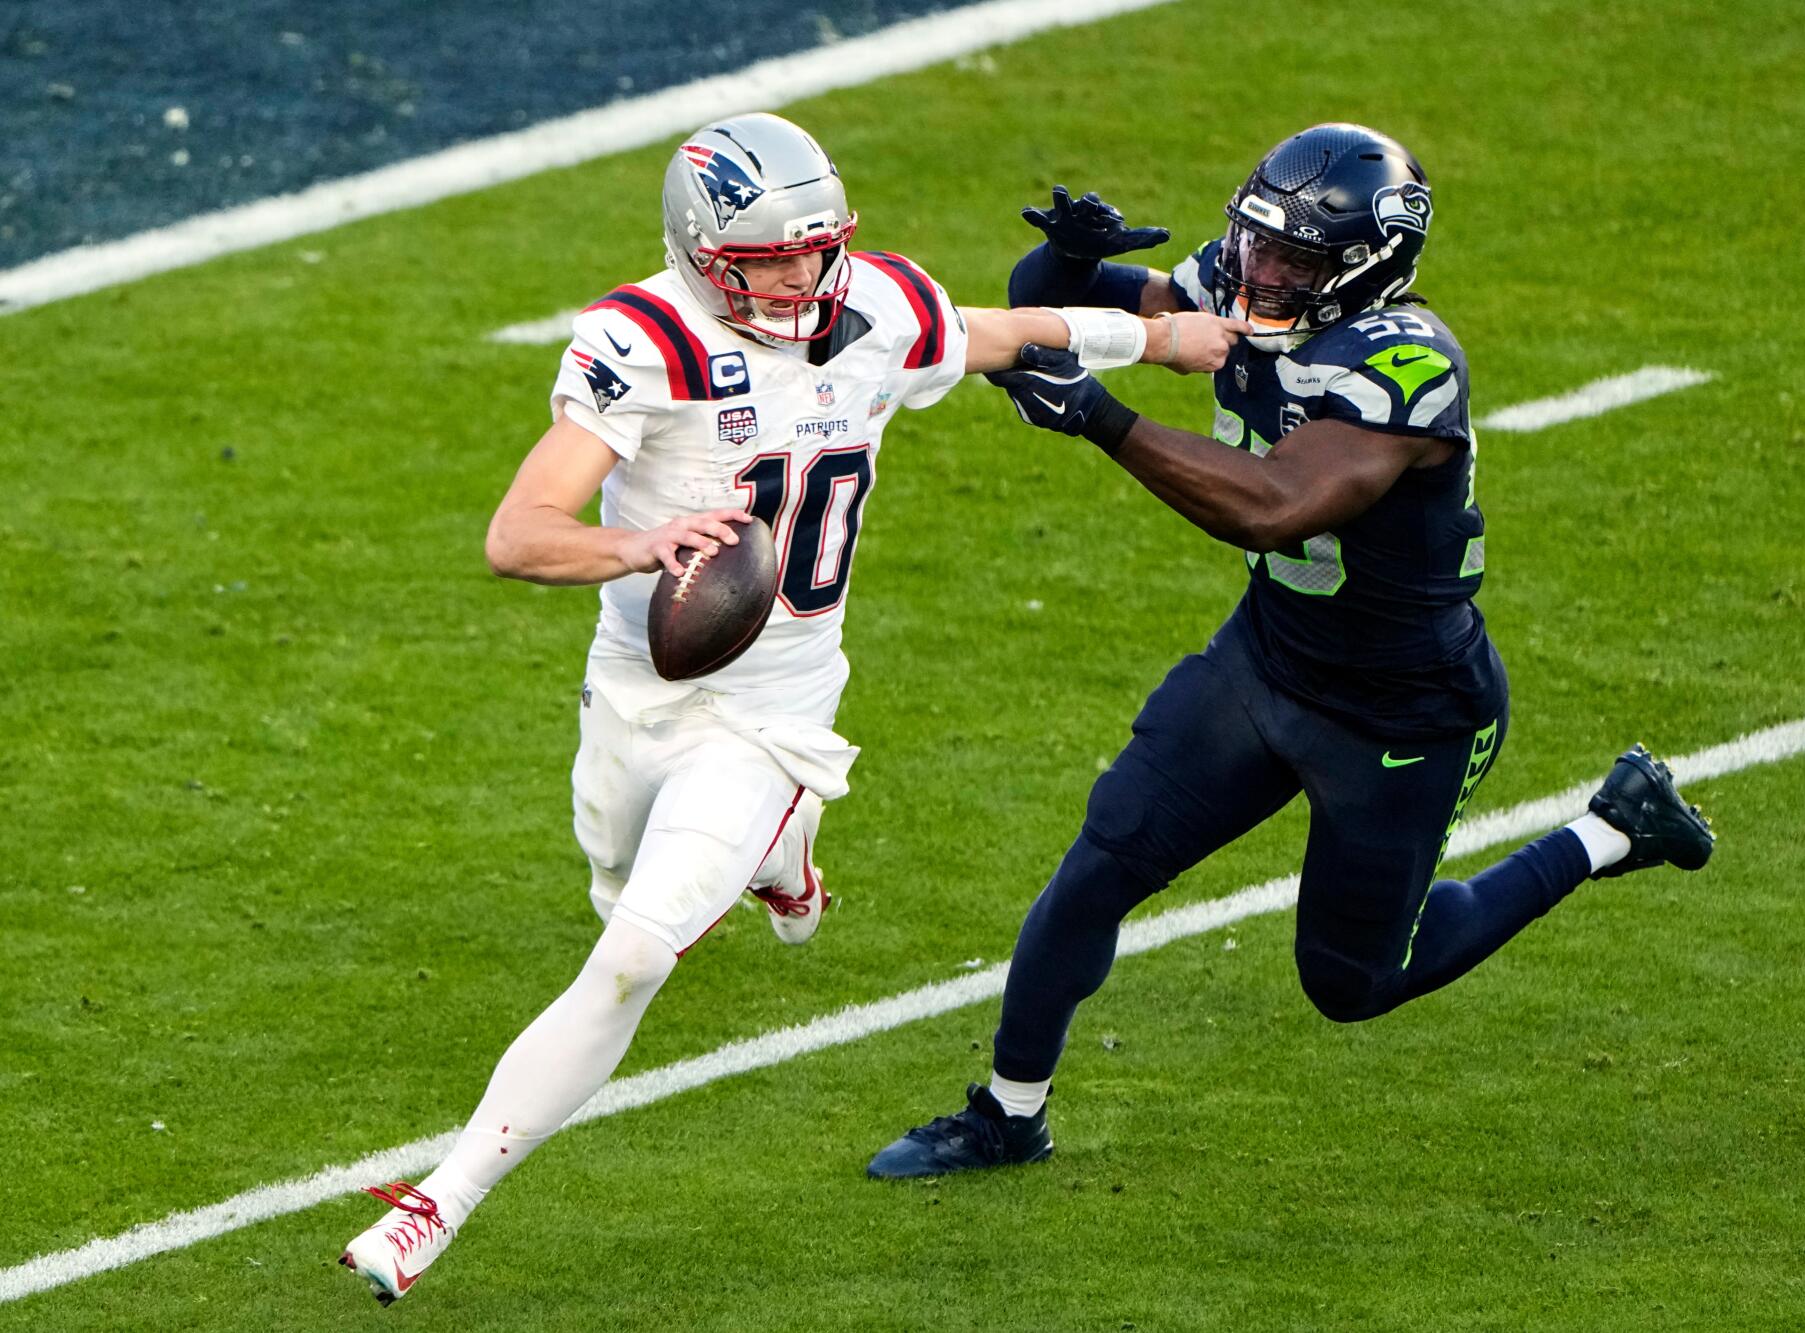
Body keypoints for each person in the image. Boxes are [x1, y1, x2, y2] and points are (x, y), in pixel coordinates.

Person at [338, 111, 1244, 1304]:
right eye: (769, 261)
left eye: (816, 250)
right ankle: (783, 857)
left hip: (772, 714)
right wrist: (641, 543)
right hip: (639, 688)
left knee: (630, 955)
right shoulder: (642, 340)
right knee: (610, 873)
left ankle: (437, 1202)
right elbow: (517, 535)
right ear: (701, 253)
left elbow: (1000, 331)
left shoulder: (876, 306)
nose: (802, 278)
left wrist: (1161, 339)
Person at [867, 123, 1715, 1179]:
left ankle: (1610, 828)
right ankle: (1008, 1113)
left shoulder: (1404, 364)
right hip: (1269, 657)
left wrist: (1099, 418)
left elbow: (1274, 505)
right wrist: (1069, 260)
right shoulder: (1244, 279)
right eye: (1255, 243)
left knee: (1353, 981)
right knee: (1102, 860)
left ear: (1366, 265)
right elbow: (1063, 310)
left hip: (1402, 708)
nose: (1258, 272)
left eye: (1293, 259)